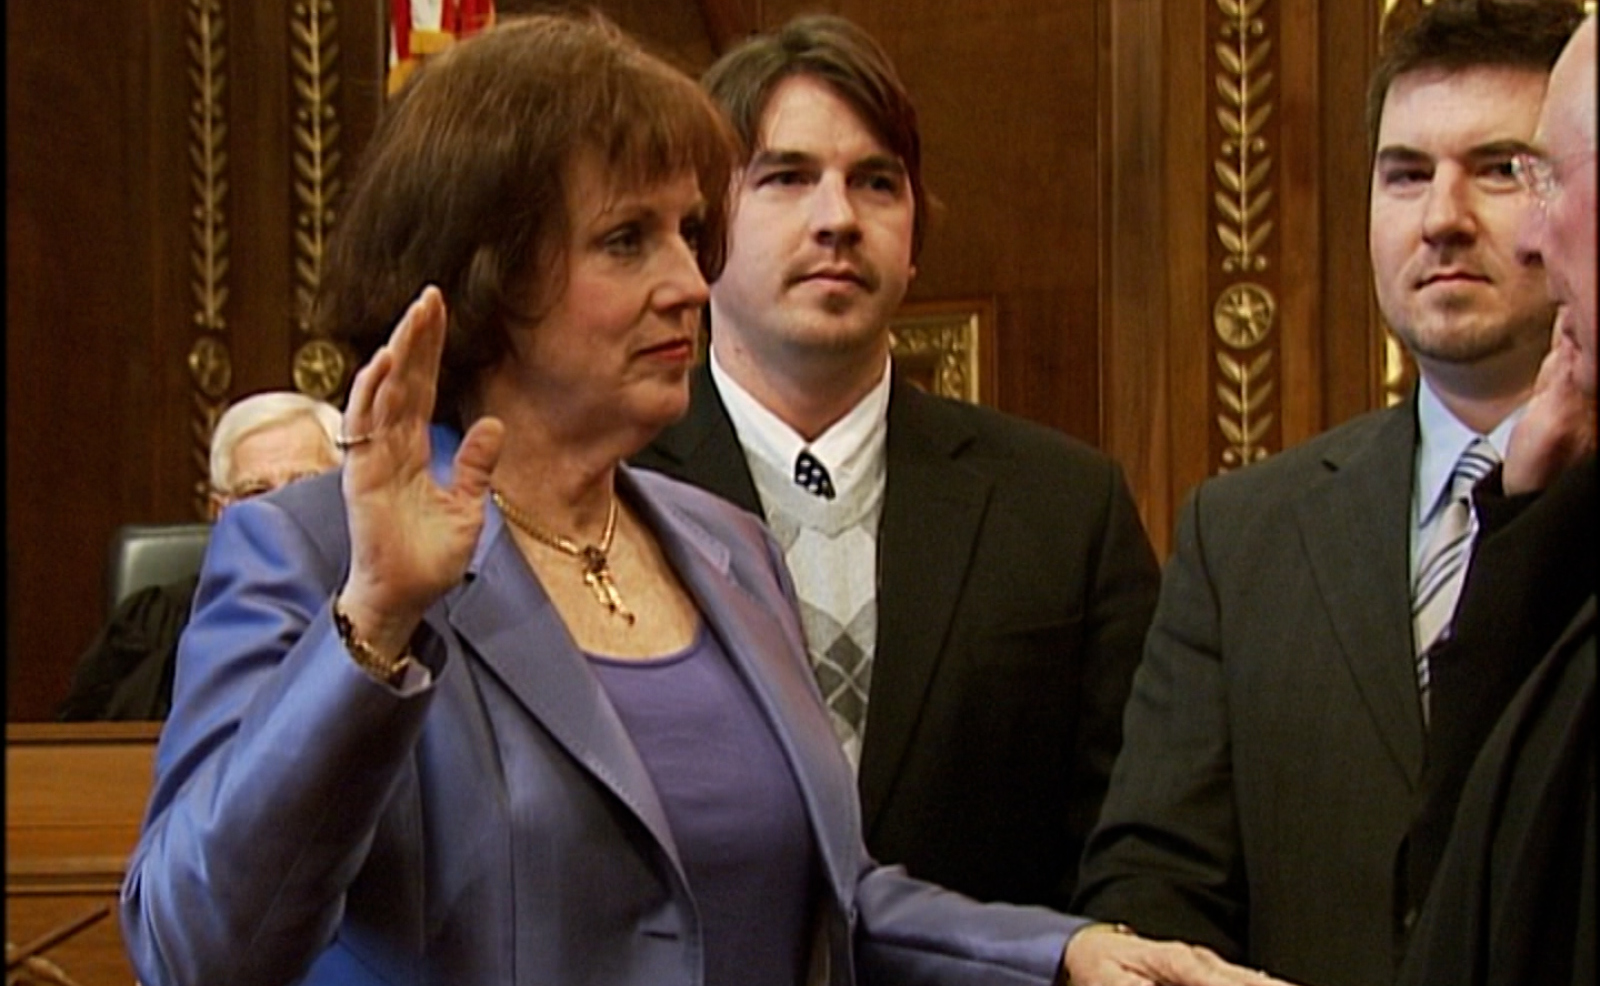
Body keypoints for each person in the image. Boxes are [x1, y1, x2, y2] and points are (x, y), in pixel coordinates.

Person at [117, 14, 1282, 986]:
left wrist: (1069, 952)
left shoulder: (720, 545)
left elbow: (842, 898)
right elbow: (194, 945)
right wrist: (371, 624)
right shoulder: (308, 549)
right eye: (627, 240)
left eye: (689, 232)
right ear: (485, 267)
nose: (687, 280)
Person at [1070, 2, 1584, 984]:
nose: (1442, 216)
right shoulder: (1244, 531)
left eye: (1499, 168)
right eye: (1405, 174)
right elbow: (1153, 875)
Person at [631, 12, 1159, 913]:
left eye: (875, 183)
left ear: (914, 239)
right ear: (701, 232)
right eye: (787, 178)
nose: (837, 219)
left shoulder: (1066, 510)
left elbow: (1135, 844)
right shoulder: (610, 491)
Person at [1399, 14, 1596, 984]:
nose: (1531, 236)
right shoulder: (1237, 530)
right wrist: (1523, 521)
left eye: (1527, 173)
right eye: (1403, 173)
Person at [54, 390, 342, 721]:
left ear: (345, 494)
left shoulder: (386, 611)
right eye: (256, 492)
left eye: (303, 484)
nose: (281, 508)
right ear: (220, 511)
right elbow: (85, 747)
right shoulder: (155, 622)